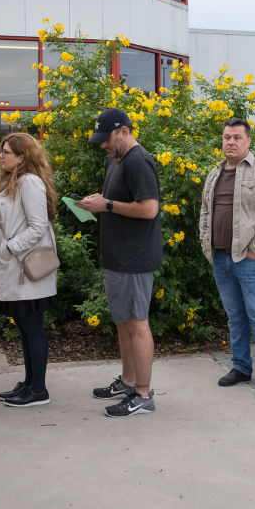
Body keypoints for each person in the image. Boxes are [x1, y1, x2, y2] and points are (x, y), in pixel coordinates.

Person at [80, 108, 163, 417]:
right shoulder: (115, 159)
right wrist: (97, 203)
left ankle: (143, 394)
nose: (103, 145)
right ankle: (128, 382)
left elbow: (149, 209)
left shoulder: (139, 161)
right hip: (117, 256)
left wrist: (108, 205)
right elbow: (114, 200)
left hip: (135, 258)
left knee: (137, 323)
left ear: (124, 131)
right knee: (123, 323)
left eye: (108, 139)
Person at [200, 117, 255, 401]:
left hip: (250, 260)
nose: (230, 142)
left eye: (236, 137)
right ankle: (241, 367)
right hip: (221, 258)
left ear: (248, 141)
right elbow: (205, 212)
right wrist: (205, 243)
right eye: (226, 137)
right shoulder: (215, 174)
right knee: (235, 318)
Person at [0, 133, 59, 407]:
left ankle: (38, 390)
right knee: (24, 327)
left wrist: (10, 248)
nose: (1, 156)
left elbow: (38, 226)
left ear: (23, 156)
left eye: (7, 152)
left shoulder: (30, 183)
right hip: (14, 270)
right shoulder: (11, 182)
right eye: (1, 151)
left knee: (32, 327)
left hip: (26, 270)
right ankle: (29, 383)